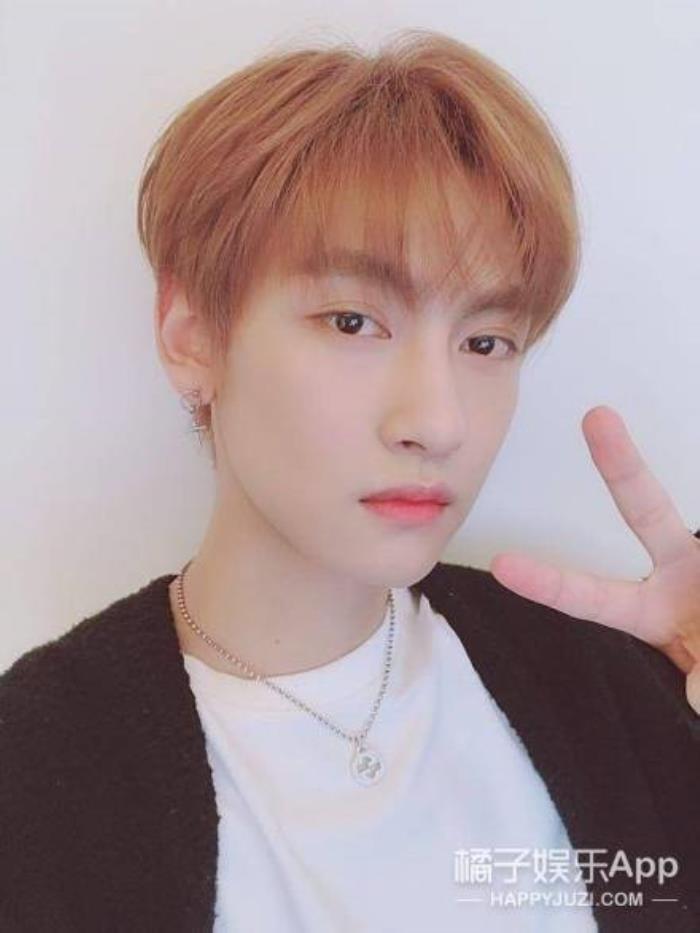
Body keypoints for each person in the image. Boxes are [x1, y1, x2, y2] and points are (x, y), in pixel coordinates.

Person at [1, 28, 699, 933]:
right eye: (353, 321)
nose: (438, 421)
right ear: (191, 334)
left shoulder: (606, 682)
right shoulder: (37, 772)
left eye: (486, 340)